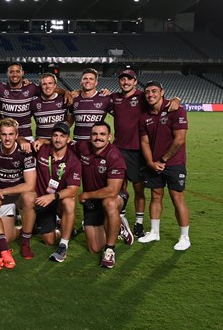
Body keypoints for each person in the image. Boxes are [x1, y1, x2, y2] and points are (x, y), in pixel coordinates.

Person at [110, 68, 182, 238]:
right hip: (118, 150)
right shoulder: (114, 98)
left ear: (135, 82)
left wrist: (176, 99)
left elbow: (161, 99)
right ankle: (120, 221)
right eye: (123, 79)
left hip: (137, 151)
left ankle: (139, 224)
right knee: (118, 188)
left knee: (139, 188)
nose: (126, 82)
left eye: (130, 80)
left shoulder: (143, 96)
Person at [138, 81, 191, 251]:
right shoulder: (144, 117)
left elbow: (180, 140)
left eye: (154, 91)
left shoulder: (176, 110)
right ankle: (154, 232)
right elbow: (144, 142)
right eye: (147, 92)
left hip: (174, 163)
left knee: (177, 199)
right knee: (155, 196)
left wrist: (163, 160)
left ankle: (184, 237)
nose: (150, 94)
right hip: (154, 165)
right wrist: (151, 162)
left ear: (162, 92)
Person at [73, 121, 134, 270]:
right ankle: (118, 227)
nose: (98, 137)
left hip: (114, 196)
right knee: (94, 248)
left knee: (109, 203)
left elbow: (113, 190)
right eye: (94, 134)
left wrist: (86, 194)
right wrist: (42, 141)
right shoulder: (83, 147)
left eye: (102, 134)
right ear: (90, 136)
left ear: (109, 137)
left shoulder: (114, 156)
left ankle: (110, 250)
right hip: (93, 201)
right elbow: (62, 145)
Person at [0, 118, 37, 259]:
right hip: (1, 196)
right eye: (4, 134)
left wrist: (2, 191)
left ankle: (25, 242)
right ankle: (27, 227)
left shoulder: (25, 152)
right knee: (8, 238)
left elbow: (30, 185)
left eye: (11, 134)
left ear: (17, 136)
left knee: (30, 197)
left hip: (18, 195)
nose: (7, 138)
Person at [32, 122, 82, 262]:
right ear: (50, 137)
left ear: (68, 139)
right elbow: (19, 141)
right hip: (43, 201)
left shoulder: (74, 160)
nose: (58, 139)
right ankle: (65, 227)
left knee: (69, 202)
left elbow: (73, 190)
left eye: (62, 136)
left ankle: (63, 245)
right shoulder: (41, 149)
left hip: (58, 199)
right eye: (55, 135)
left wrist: (52, 196)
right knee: (48, 241)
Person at [70, 68, 114, 142]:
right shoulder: (73, 99)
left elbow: (120, 117)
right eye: (85, 79)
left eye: (91, 79)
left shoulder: (105, 99)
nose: (88, 81)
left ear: (96, 82)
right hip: (78, 143)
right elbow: (69, 122)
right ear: (81, 82)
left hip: (96, 144)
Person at [29, 73, 69, 144]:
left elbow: (72, 116)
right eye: (44, 84)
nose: (47, 86)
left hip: (60, 143)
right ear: (40, 87)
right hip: (41, 144)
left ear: (55, 85)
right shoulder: (34, 102)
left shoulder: (64, 99)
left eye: (50, 83)